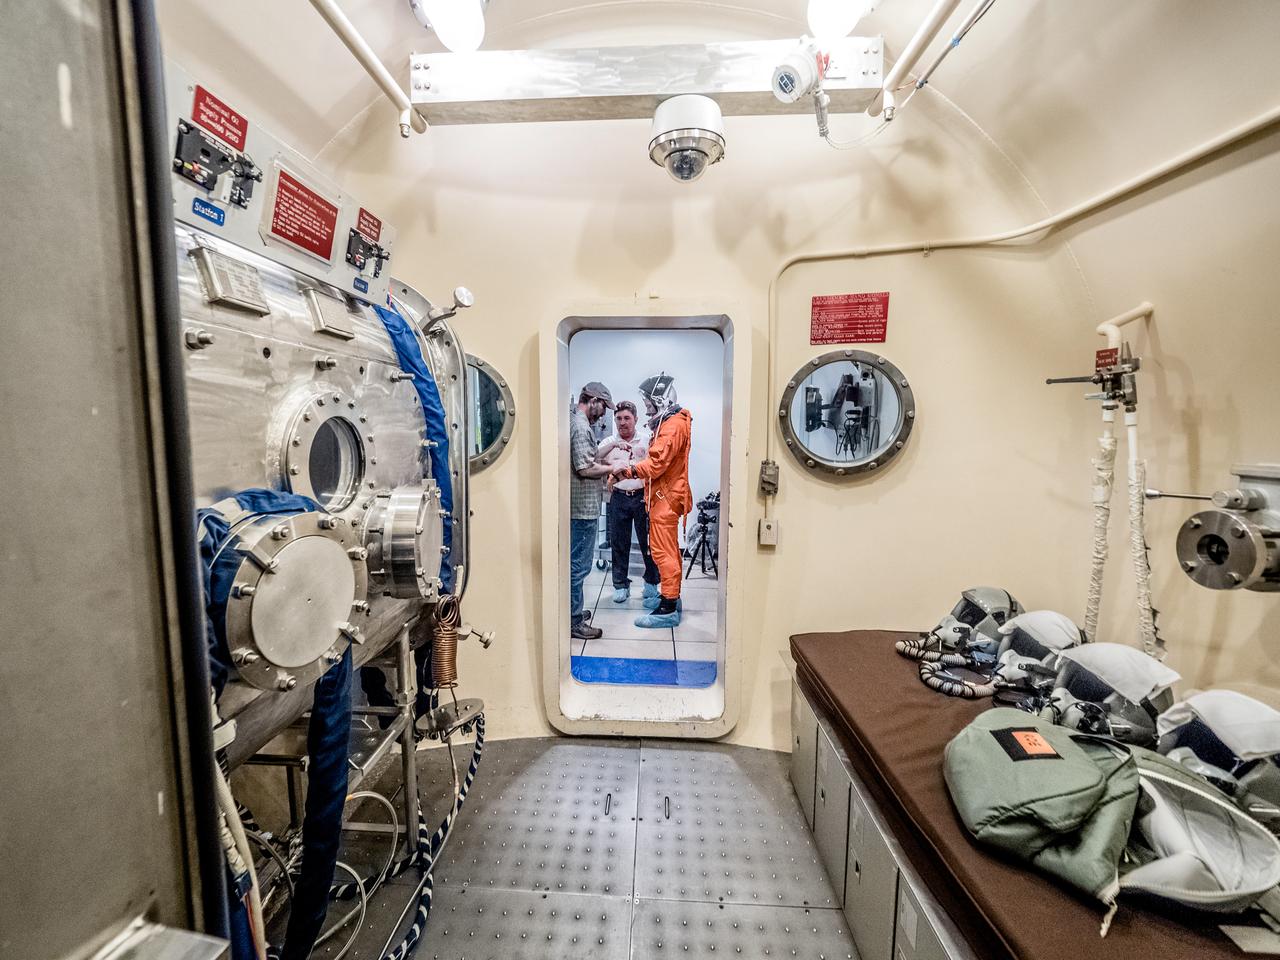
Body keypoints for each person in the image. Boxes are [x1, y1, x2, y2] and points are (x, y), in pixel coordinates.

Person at [611, 372, 692, 629]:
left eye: (648, 403)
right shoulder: (671, 423)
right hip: (663, 495)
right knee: (667, 551)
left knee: (662, 552)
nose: (646, 408)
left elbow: (657, 463)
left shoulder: (672, 426)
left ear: (660, 400)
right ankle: (671, 595)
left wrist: (630, 470)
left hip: (665, 498)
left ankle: (667, 607)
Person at [597, 401, 661, 604]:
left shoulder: (647, 440)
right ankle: (620, 586)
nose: (622, 423)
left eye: (627, 418)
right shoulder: (608, 442)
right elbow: (594, 460)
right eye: (619, 418)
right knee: (619, 543)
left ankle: (651, 584)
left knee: (648, 544)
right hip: (618, 497)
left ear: (636, 419)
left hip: (643, 497)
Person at [569, 381, 614, 641]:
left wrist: (613, 449)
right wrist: (613, 468)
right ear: (593, 400)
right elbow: (585, 468)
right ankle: (574, 622)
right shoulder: (580, 425)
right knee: (579, 567)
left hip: (583, 506)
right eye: (603, 407)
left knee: (577, 565)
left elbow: (590, 455)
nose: (604, 413)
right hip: (582, 510)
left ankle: (572, 611)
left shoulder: (580, 425)